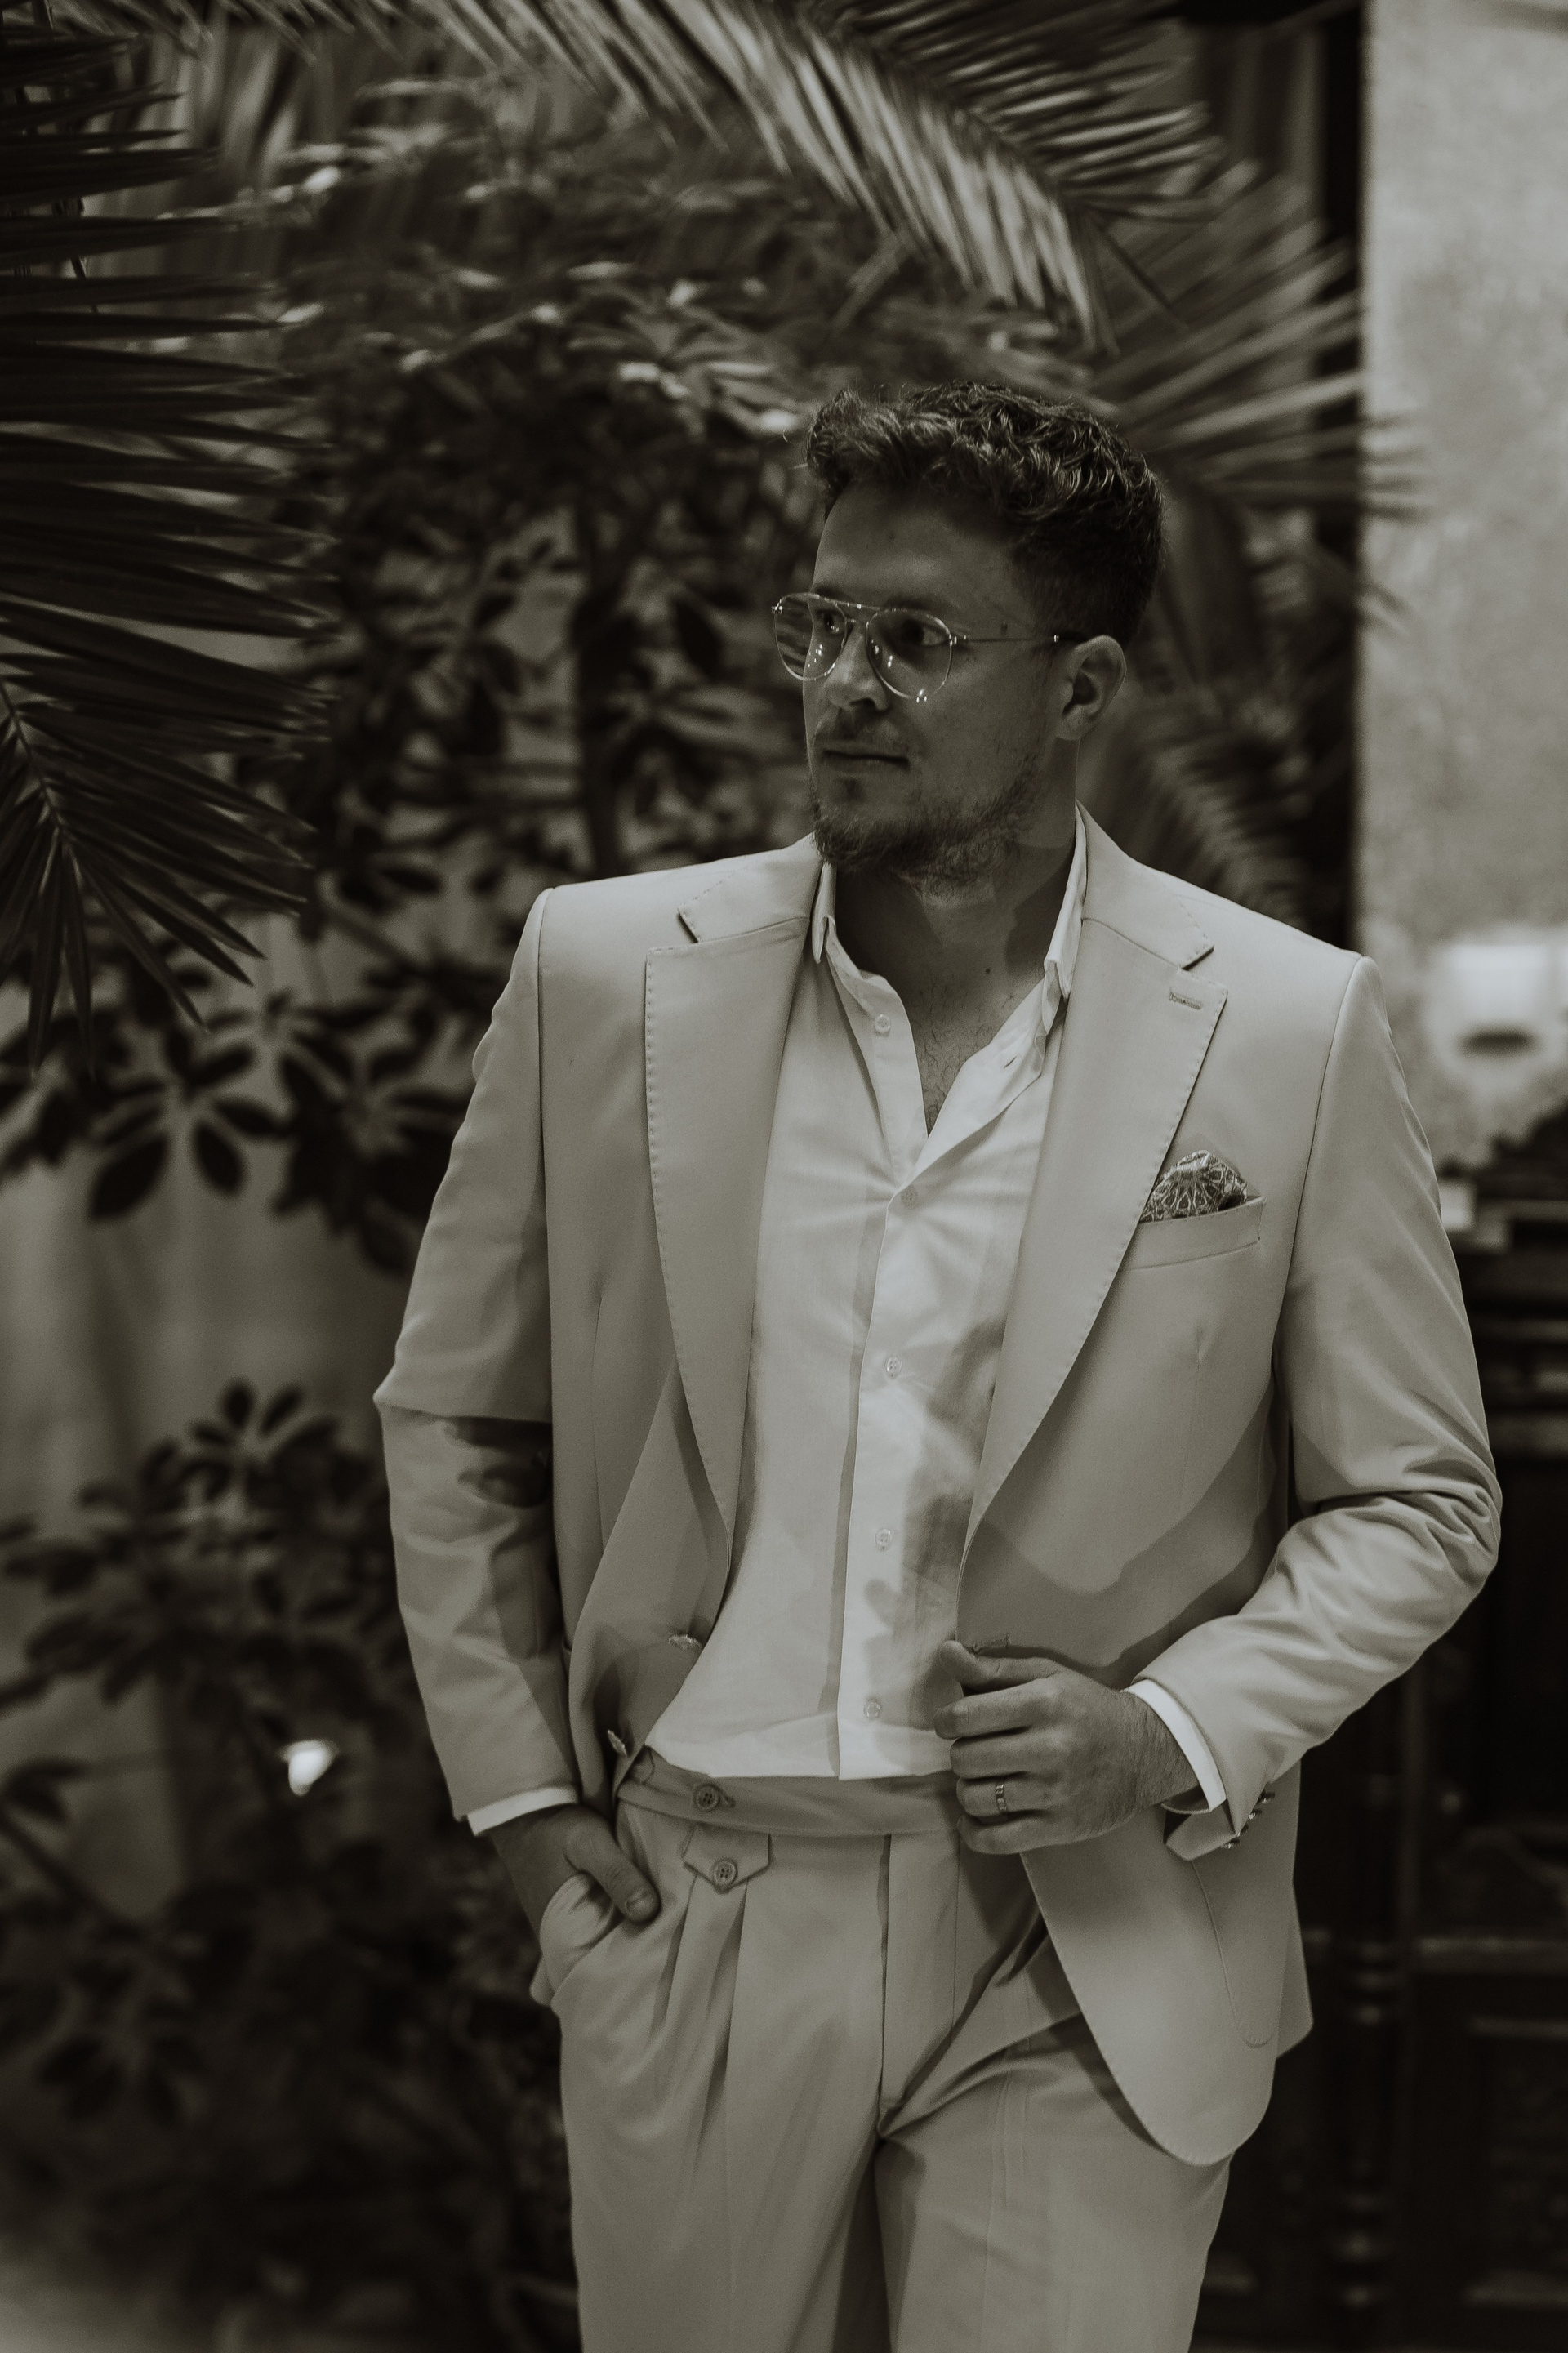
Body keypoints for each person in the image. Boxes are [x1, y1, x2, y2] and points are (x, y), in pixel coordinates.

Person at [375, 381, 1500, 2353]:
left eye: (915, 637)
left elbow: (1420, 1498)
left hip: (1091, 1946)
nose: (845, 684)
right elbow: (459, 1413)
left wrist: (1169, 1729)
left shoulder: (1286, 1027)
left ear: (1082, 688)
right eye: (823, 624)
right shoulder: (605, 976)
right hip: (701, 1910)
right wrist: (527, 1811)